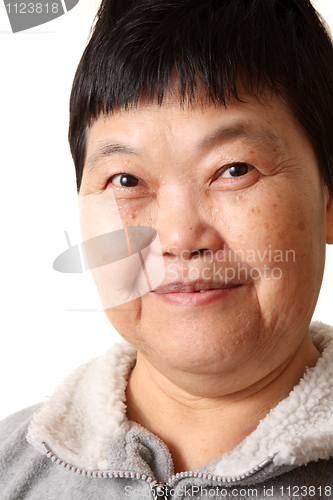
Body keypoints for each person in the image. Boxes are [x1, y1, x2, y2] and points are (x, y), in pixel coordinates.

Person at [2, 0, 333, 498]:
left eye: (234, 170)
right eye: (127, 179)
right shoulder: (12, 468)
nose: (178, 238)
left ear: (328, 203)